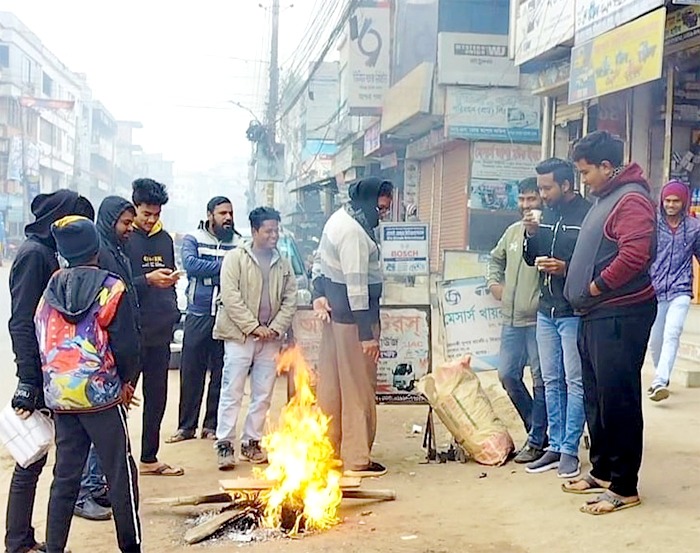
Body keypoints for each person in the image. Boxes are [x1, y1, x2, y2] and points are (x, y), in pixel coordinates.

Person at [564, 131, 657, 515]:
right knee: (596, 397)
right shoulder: (606, 197)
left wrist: (597, 285)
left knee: (618, 399)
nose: (583, 180)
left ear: (607, 166)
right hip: (596, 313)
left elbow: (636, 254)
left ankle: (623, 485)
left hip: (620, 312)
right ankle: (602, 469)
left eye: (586, 172)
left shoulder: (632, 199)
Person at [36, 216, 141, 553]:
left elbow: (38, 332)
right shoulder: (112, 287)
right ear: (95, 247)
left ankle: (54, 548)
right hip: (101, 397)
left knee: (65, 477)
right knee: (120, 473)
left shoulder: (52, 286)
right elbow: (127, 345)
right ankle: (130, 546)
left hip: (61, 397)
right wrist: (126, 382)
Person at [6, 190, 94, 553]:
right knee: (30, 457)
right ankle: (18, 543)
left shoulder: (46, 251)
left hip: (52, 370)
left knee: (38, 457)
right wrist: (28, 378)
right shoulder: (34, 256)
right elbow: (21, 322)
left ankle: (22, 540)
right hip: (39, 373)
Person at [313, 177, 393, 478]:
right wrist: (366, 337)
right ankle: (358, 457)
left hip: (335, 317)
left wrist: (318, 294)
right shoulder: (354, 234)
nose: (383, 213)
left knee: (331, 388)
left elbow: (318, 265)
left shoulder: (338, 218)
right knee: (359, 388)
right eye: (381, 207)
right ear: (369, 201)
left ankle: (327, 452)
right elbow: (358, 287)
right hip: (354, 321)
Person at [213, 207, 297, 470]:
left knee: (263, 393)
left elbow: (290, 298)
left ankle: (252, 442)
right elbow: (230, 297)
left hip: (270, 338)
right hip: (240, 336)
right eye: (268, 231)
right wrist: (252, 326)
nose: (274, 235)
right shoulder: (235, 258)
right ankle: (225, 443)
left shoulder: (282, 263)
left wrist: (274, 327)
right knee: (232, 390)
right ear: (254, 231)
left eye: (276, 230)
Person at [73, 196, 142, 520]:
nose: (131, 228)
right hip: (102, 366)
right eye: (125, 223)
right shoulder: (100, 256)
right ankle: (86, 491)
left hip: (114, 365)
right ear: (109, 220)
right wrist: (121, 375)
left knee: (110, 431)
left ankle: (97, 486)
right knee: (99, 433)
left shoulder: (117, 250)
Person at [523, 158, 591, 479]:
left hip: (573, 311)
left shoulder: (588, 215)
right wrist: (530, 235)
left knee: (574, 381)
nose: (542, 194)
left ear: (566, 185)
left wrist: (566, 269)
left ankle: (569, 449)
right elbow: (530, 259)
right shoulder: (544, 215)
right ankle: (554, 445)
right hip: (545, 309)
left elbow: (596, 261)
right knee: (551, 381)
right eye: (539, 188)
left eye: (547, 188)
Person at [167, 197, 240, 443]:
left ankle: (211, 426)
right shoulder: (193, 238)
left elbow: (240, 270)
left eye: (230, 213)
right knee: (191, 372)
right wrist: (225, 267)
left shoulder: (239, 242)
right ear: (210, 215)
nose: (228, 218)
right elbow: (191, 265)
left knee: (221, 372)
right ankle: (186, 427)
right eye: (222, 213)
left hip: (227, 317)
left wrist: (213, 267)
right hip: (198, 313)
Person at [125, 178, 183, 475]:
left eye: (156, 214)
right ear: (134, 207)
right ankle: (117, 461)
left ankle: (149, 457)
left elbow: (169, 278)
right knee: (122, 397)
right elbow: (117, 286)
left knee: (157, 396)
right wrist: (147, 280)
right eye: (146, 214)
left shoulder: (165, 240)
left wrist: (171, 296)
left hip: (160, 331)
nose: (150, 220)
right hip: (130, 333)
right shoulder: (123, 237)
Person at [487, 177, 547, 464]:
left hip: (538, 321)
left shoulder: (548, 232)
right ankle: (537, 428)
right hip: (510, 319)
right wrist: (493, 284)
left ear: (542, 200)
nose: (526, 205)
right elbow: (495, 260)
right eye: (522, 199)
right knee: (507, 375)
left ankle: (537, 440)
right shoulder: (512, 232)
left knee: (541, 380)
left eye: (531, 199)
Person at [647, 181, 700, 401]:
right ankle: (662, 374)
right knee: (656, 338)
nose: (670, 205)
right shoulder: (653, 225)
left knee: (673, 332)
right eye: (667, 200)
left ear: (684, 202)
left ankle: (660, 379)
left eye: (676, 201)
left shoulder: (695, 227)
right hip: (654, 290)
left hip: (681, 288)